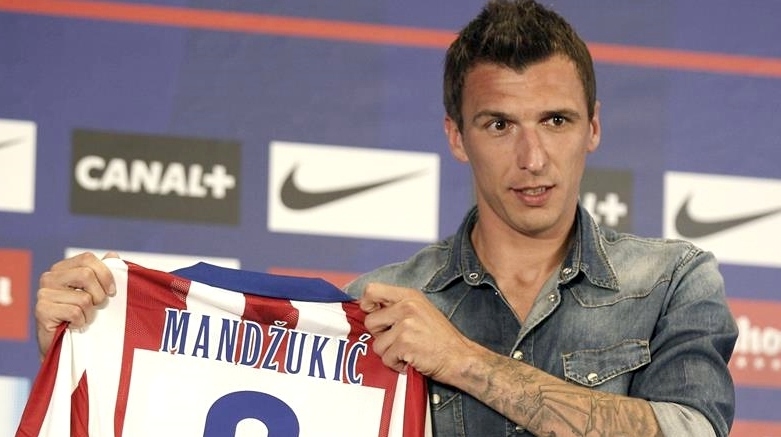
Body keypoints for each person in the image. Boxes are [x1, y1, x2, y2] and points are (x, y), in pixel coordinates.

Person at [35, 1, 737, 436]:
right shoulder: (371, 307)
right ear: (457, 136)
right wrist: (84, 352)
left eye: (555, 120)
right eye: (498, 124)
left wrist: (461, 360)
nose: (532, 157)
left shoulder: (672, 279)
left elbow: (690, 432)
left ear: (593, 127)